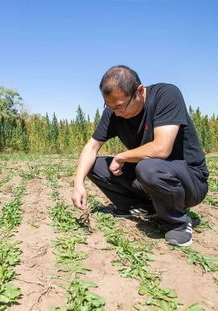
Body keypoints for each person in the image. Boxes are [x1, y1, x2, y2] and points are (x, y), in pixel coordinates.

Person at [72, 65, 209, 247]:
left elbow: (162, 149)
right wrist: (78, 183)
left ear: (140, 91)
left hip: (190, 180)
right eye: (110, 106)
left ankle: (178, 223)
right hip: (152, 175)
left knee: (148, 166)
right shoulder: (114, 112)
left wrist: (122, 157)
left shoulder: (166, 95)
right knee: (94, 166)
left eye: (120, 106)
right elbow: (91, 147)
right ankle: (144, 207)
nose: (117, 113)